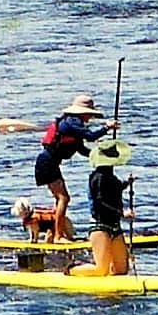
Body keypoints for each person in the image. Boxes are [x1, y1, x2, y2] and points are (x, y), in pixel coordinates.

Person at [34, 93, 114, 234]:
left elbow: (82, 149)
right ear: (82, 113)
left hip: (49, 163)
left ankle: (54, 234)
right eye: (89, 114)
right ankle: (59, 236)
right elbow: (90, 137)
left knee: (60, 199)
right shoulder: (71, 123)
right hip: (47, 162)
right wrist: (106, 128)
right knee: (63, 198)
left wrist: (101, 156)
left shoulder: (73, 125)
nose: (90, 118)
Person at [84, 147, 134, 277]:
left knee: (121, 270)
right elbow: (100, 203)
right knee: (101, 270)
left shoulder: (111, 176)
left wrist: (127, 183)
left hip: (115, 226)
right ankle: (71, 270)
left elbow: (116, 188)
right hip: (100, 226)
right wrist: (122, 213)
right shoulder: (98, 178)